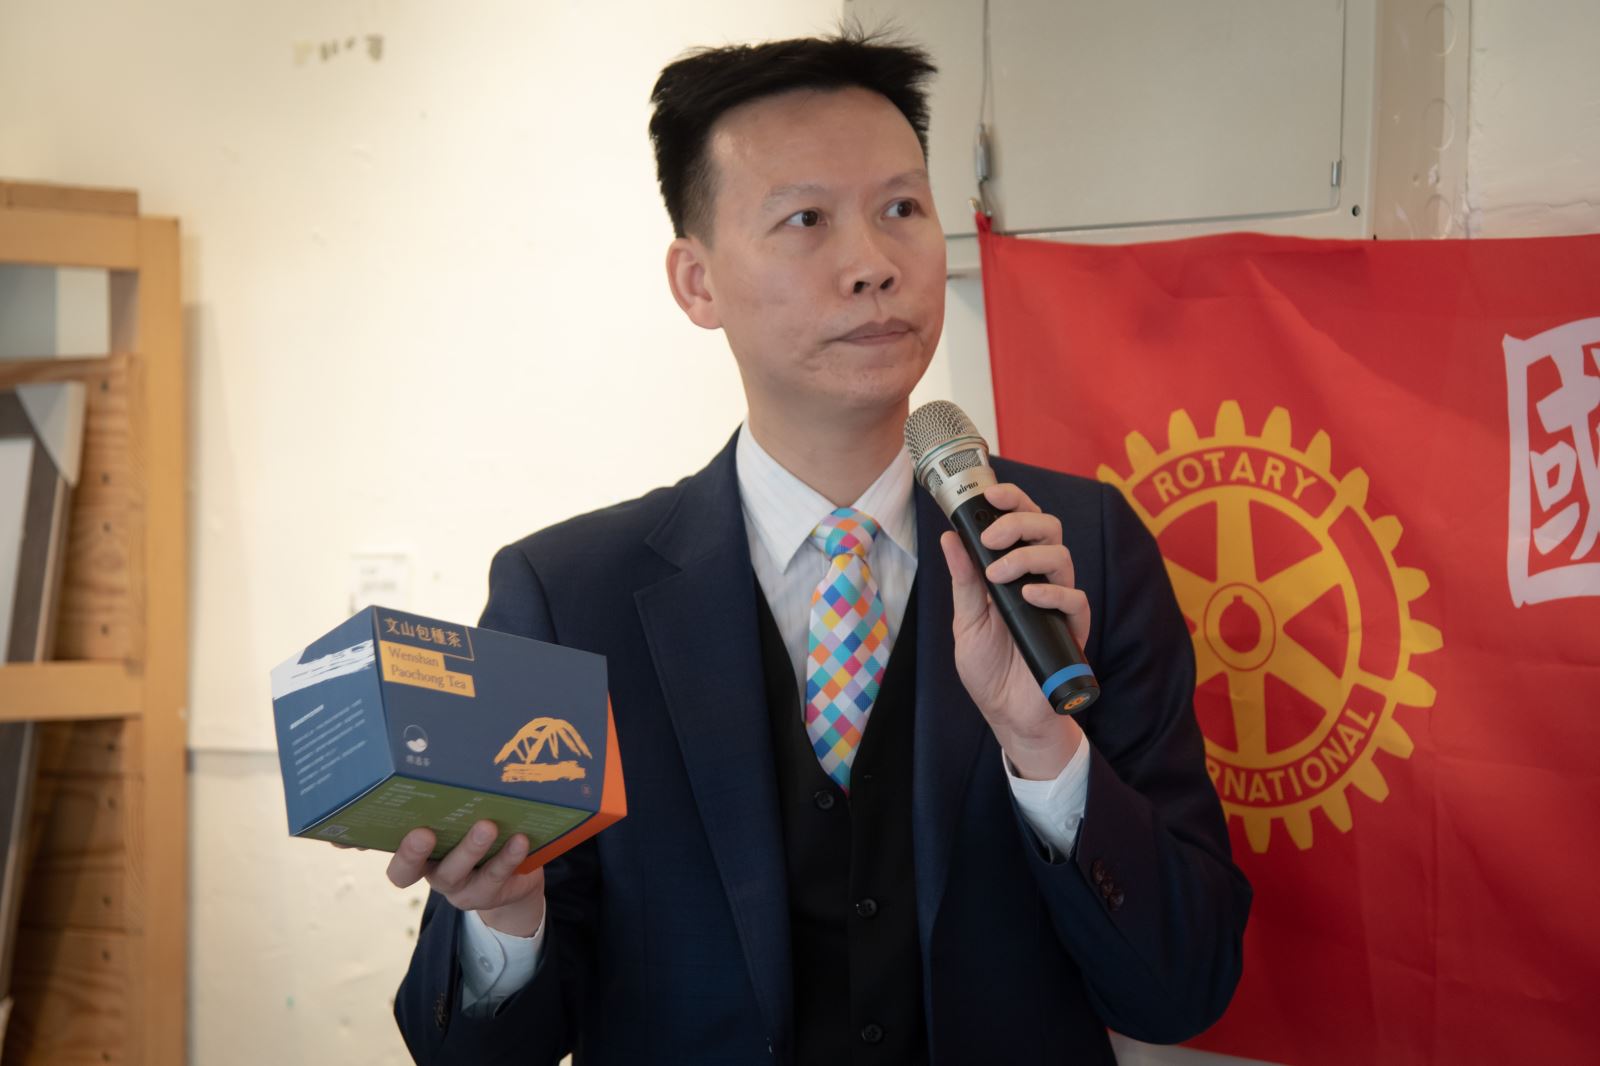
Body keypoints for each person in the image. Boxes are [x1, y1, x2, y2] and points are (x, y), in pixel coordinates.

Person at [391, 29, 1249, 1065]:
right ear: (697, 283)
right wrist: (506, 917)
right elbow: (472, 1053)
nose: (872, 266)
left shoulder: (1077, 549)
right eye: (805, 220)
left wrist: (1044, 750)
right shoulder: (569, 596)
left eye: (902, 209)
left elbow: (1184, 986)